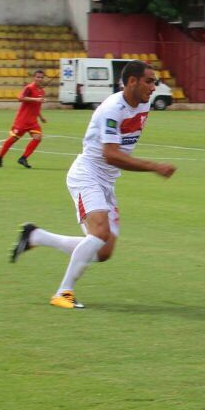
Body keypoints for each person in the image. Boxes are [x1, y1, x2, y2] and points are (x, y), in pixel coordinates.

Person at [10, 61, 176, 309]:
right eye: (150, 81)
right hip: (87, 175)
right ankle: (63, 293)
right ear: (132, 81)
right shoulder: (112, 109)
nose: (154, 87)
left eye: (155, 81)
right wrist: (154, 167)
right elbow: (111, 154)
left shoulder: (143, 101)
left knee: (102, 251)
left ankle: (36, 236)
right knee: (98, 233)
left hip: (106, 181)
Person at [0, 69, 49, 168]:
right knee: (13, 139)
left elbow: (36, 107)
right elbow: (20, 98)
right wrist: (36, 99)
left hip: (33, 122)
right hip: (22, 121)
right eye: (37, 77)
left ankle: (23, 158)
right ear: (34, 78)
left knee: (38, 138)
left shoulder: (41, 91)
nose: (39, 79)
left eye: (41, 77)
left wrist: (41, 117)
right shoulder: (29, 88)